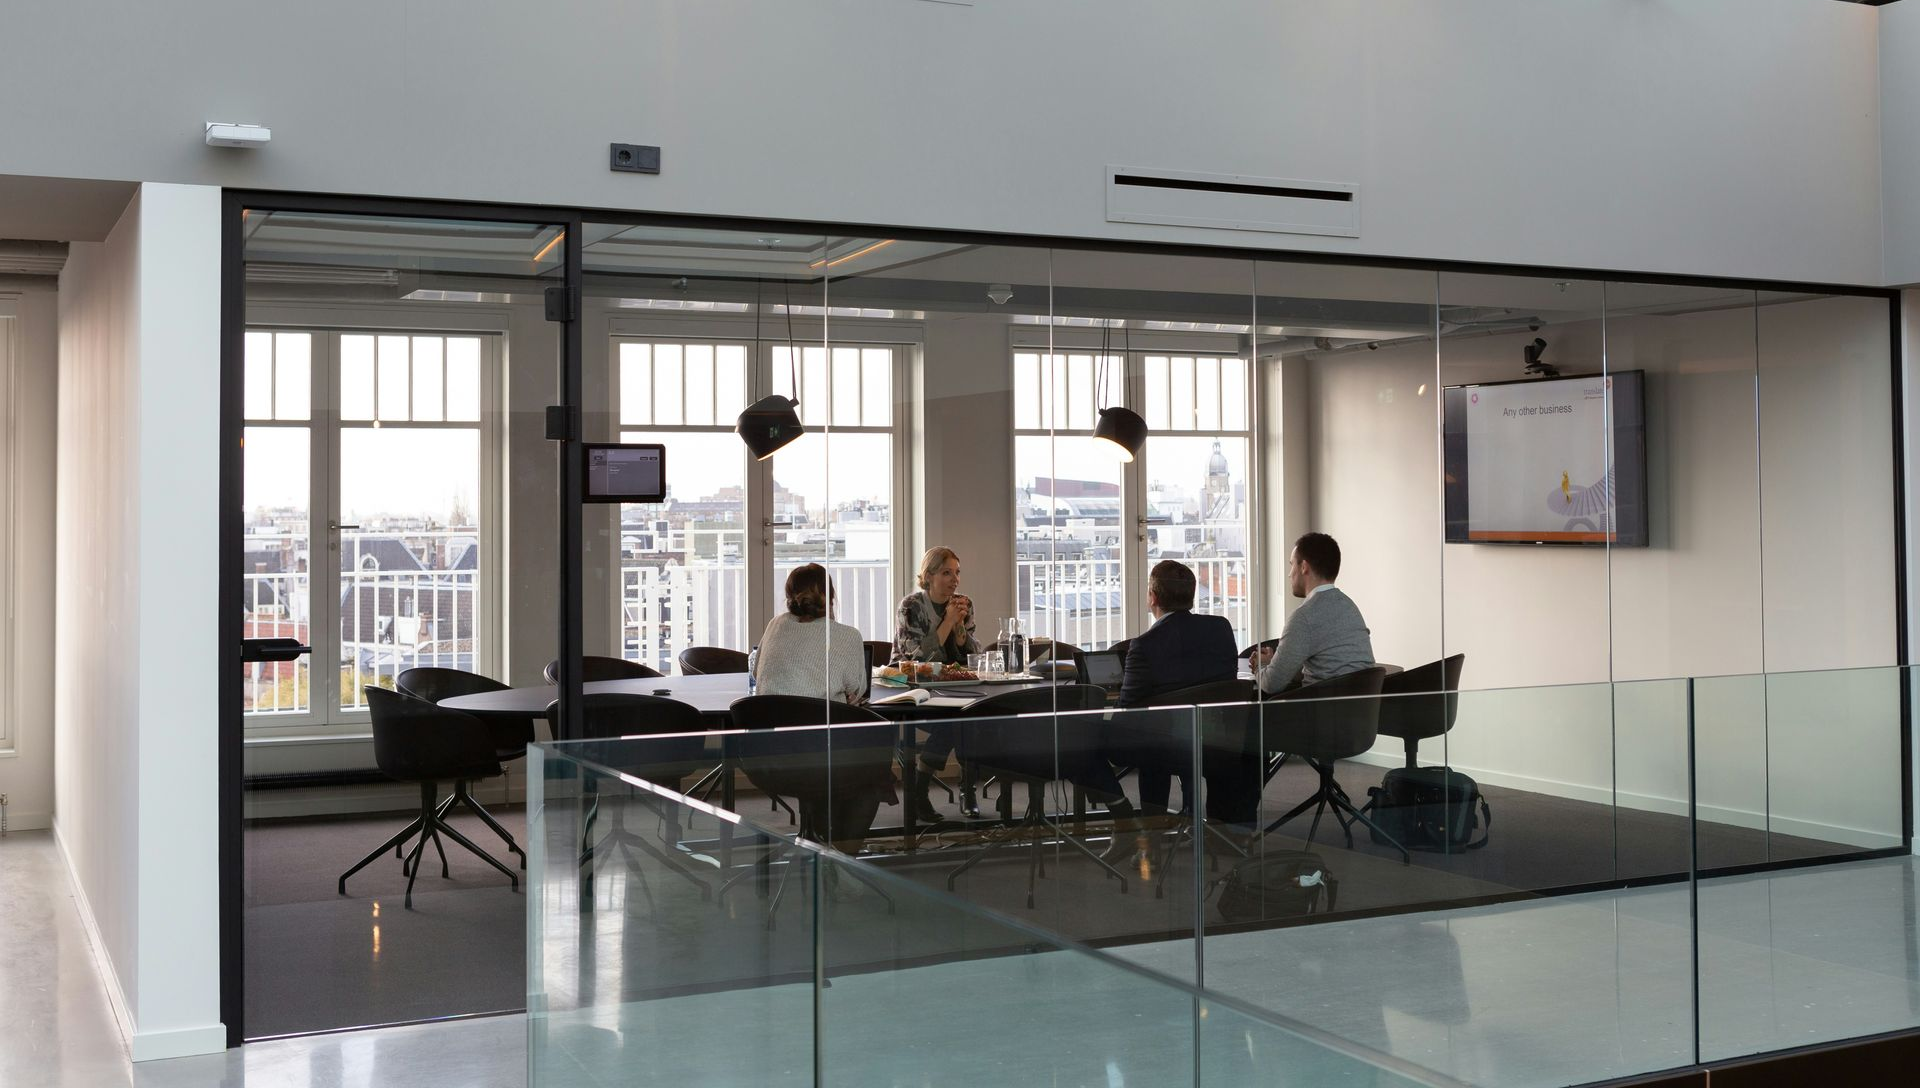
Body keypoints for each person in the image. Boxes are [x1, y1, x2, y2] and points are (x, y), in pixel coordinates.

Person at [748, 563, 894, 854]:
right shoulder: (847, 636)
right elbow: (857, 688)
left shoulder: (775, 625)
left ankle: (823, 846)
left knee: (841, 763)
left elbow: (755, 669)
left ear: (789, 596)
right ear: (832, 596)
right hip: (822, 759)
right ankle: (842, 859)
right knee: (874, 771)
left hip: (768, 762)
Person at [1106, 560, 1241, 849]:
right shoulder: (1220, 629)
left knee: (1145, 739)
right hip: (1218, 742)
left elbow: (1127, 712)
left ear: (1153, 597)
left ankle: (1138, 829)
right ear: (1191, 595)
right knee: (1163, 733)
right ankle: (1200, 824)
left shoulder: (1144, 645)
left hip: (1166, 749)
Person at [895, 546, 979, 822]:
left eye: (957, 573)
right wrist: (948, 621)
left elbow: (970, 657)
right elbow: (917, 658)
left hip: (952, 687)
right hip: (912, 690)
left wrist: (960, 630)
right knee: (954, 723)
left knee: (971, 717)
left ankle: (965, 789)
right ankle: (922, 790)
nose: (955, 580)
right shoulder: (911, 606)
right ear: (929, 576)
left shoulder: (963, 603)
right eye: (946, 573)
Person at [1255, 532, 1375, 694]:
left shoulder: (1304, 617)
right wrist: (1275, 663)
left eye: (1292, 565)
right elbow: (1330, 665)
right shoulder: (1350, 607)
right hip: (1360, 707)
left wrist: (1260, 665)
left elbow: (1271, 684)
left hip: (1320, 708)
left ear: (1304, 567)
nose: (1289, 574)